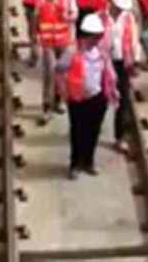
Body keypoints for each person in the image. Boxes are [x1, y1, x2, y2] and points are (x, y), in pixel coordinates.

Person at [57, 13, 117, 178]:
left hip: (97, 97)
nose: (97, 40)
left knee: (93, 131)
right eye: (94, 37)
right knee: (77, 131)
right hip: (77, 98)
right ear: (85, 35)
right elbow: (59, 70)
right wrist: (63, 92)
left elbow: (108, 71)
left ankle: (88, 162)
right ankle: (75, 164)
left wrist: (111, 91)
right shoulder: (71, 51)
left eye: (99, 36)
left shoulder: (101, 51)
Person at [104, 0, 143, 153]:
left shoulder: (128, 18)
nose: (120, 11)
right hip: (105, 63)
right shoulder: (102, 18)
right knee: (100, 99)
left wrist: (136, 60)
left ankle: (120, 136)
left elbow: (134, 39)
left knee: (123, 99)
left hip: (122, 63)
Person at [37, 0, 77, 116]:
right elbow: (37, 16)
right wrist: (36, 34)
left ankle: (59, 99)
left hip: (64, 40)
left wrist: (66, 16)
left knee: (62, 73)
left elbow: (75, 15)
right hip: (48, 41)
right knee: (49, 72)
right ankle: (46, 105)